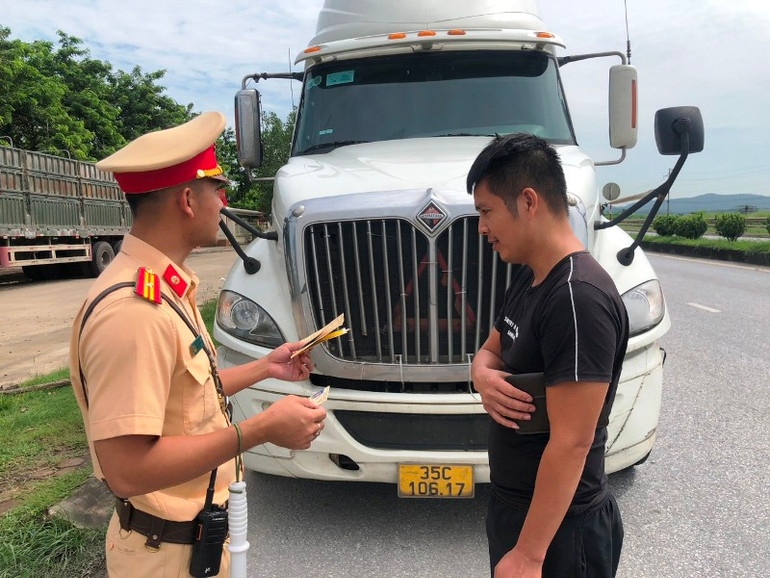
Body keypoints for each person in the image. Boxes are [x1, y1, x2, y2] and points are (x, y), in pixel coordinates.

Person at [69, 111, 327, 577]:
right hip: (164, 557)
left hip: (191, 546)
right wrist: (260, 430)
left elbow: (187, 397)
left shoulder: (164, 287)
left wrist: (266, 367)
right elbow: (126, 468)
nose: (225, 201)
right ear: (188, 200)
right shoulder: (133, 311)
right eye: (217, 189)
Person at [467, 134, 628, 578]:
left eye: (486, 212)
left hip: (562, 533)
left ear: (529, 200)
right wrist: (481, 375)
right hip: (518, 511)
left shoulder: (577, 298)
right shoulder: (533, 276)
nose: (481, 228)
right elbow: (491, 350)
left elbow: (573, 440)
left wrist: (530, 555)